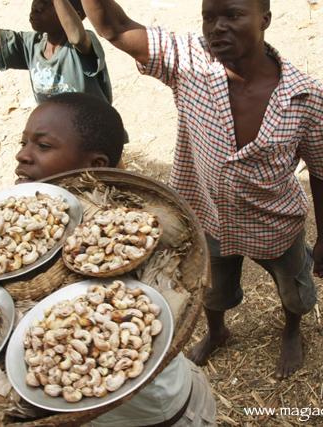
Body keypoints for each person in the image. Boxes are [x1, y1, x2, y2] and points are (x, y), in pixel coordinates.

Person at [81, 0, 323, 378]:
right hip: (210, 219)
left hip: (276, 226)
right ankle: (218, 331)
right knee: (212, 290)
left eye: (233, 15)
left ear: (265, 20)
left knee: (294, 290)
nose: (217, 27)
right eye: (209, 17)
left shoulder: (305, 97)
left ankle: (292, 330)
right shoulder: (189, 62)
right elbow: (114, 26)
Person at [15, 92, 217, 426]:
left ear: (95, 166)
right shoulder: (41, 221)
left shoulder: (128, 231)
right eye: (23, 142)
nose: (23, 155)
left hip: (160, 416)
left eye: (43, 146)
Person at [0, 0, 112, 105]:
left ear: (76, 15)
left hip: (93, 142)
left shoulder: (84, 42)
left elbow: (76, 37)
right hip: (59, 143)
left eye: (49, 3)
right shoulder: (30, 44)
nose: (37, 5)